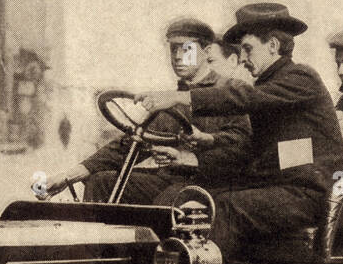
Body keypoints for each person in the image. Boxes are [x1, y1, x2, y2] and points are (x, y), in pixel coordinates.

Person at [138, 2, 343, 261]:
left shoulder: (301, 78)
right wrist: (204, 144)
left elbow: (245, 97)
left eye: (248, 49)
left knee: (227, 208)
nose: (243, 58)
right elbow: (253, 148)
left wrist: (181, 97)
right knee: (191, 196)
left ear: (273, 45)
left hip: (314, 194)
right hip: (283, 188)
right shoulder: (272, 86)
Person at [39, 17, 249, 203]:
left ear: (207, 51)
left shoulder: (232, 90)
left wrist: (187, 158)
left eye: (186, 49)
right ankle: (98, 237)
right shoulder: (171, 101)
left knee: (167, 201)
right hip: (171, 181)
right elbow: (133, 141)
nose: (177, 56)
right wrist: (70, 176)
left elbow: (241, 145)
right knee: (101, 182)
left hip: (215, 185)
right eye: (173, 49)